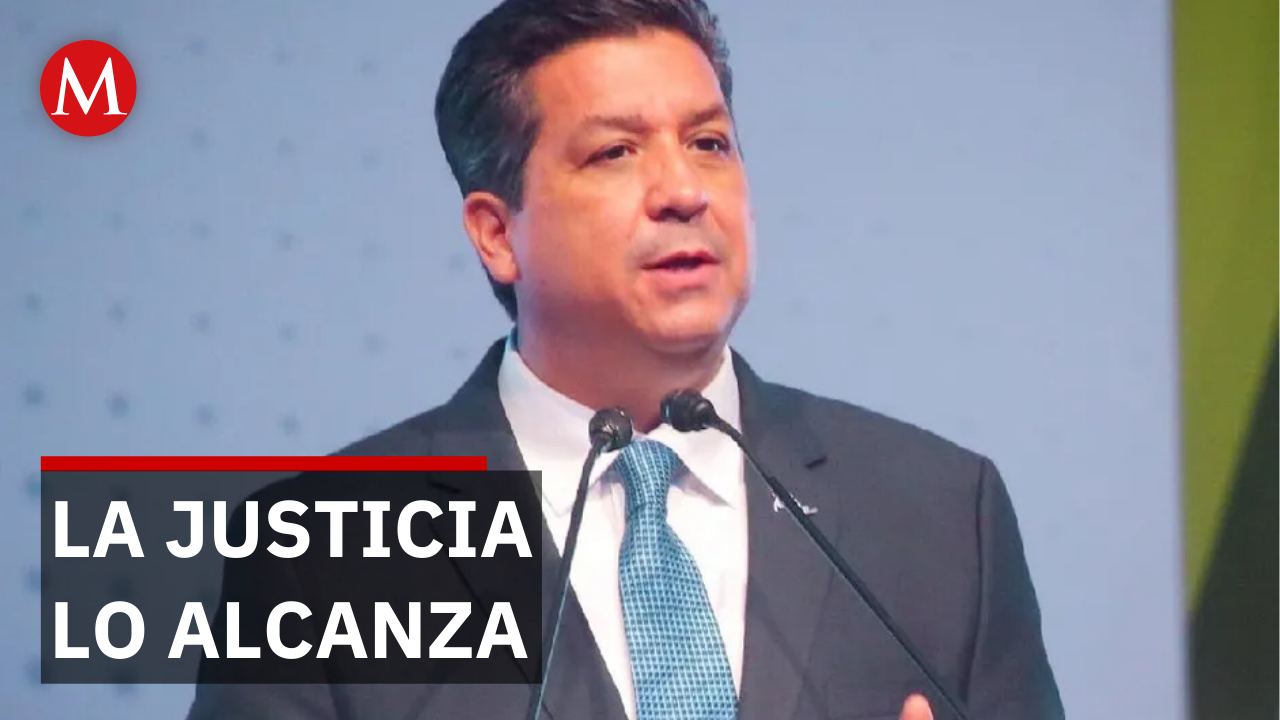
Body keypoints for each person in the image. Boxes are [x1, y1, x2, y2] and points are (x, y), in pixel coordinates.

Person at [188, 1, 1065, 718]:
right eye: (615, 152)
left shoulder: (939, 516)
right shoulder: (319, 553)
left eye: (709, 143)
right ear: (496, 234)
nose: (683, 192)